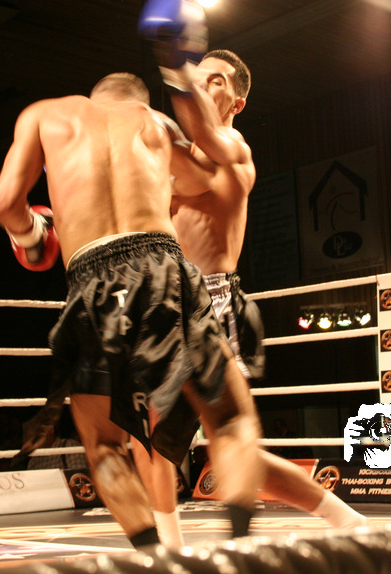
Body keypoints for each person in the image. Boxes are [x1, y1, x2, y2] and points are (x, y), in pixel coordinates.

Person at [0, 71, 264, 549]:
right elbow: (202, 181)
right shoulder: (154, 121)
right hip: (162, 265)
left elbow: (5, 203)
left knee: (104, 445)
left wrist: (33, 234)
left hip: (90, 277)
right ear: (138, 99)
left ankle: (155, 559)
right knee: (230, 419)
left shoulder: (44, 114)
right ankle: (240, 549)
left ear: (94, 95)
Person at [137, 4, 368, 544]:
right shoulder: (176, 155)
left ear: (237, 101)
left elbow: (197, 125)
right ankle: (171, 550)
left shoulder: (233, 150)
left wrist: (174, 63)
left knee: (224, 440)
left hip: (210, 303)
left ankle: (340, 520)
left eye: (215, 80)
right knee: (163, 441)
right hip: (166, 303)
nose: (204, 84)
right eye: (200, 76)